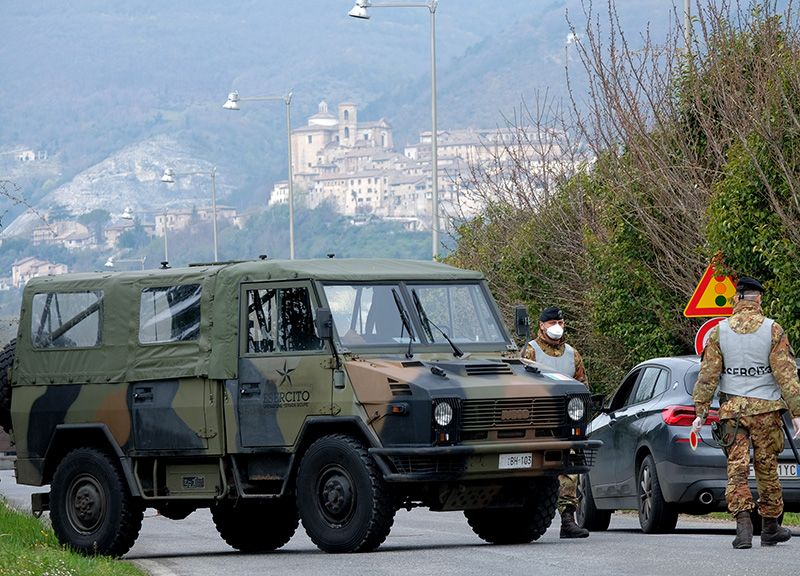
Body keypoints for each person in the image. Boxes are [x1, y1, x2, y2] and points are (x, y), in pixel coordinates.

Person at [692, 276, 800, 549]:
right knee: (767, 469)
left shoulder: (717, 332)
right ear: (759, 299)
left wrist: (700, 412)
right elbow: (786, 375)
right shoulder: (773, 330)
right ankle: (771, 527)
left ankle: (742, 528)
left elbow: (707, 376)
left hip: (732, 413)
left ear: (736, 299)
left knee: (737, 470)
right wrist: (797, 412)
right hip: (766, 412)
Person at [521, 305, 589, 539]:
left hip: (566, 421)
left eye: (560, 323)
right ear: (542, 325)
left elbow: (583, 387)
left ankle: (568, 519)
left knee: (569, 468)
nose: (557, 328)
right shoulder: (531, 351)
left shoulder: (572, 353)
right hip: (538, 422)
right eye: (552, 324)